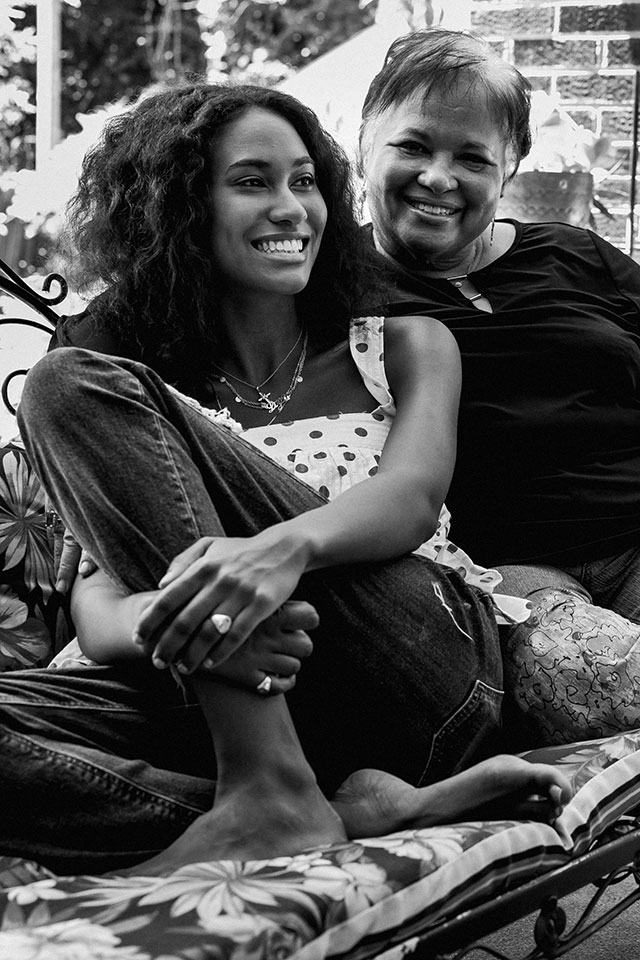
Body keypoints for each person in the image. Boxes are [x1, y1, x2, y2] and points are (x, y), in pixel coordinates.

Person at [13, 82, 570, 876]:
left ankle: (267, 788)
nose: (292, 208)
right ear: (178, 208)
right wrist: (181, 617)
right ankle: (327, 809)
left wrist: (275, 555)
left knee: (61, 382)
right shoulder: (146, 391)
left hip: (410, 668)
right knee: (68, 385)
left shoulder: (405, 343)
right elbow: (99, 605)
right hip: (214, 690)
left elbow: (411, 502)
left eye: (305, 181)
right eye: (252, 182)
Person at [357, 27, 640, 746]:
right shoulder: (326, 282)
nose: (439, 177)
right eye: (414, 146)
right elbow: (136, 328)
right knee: (594, 682)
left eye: (472, 158)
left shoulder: (574, 254)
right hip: (510, 568)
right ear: (366, 142)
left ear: (510, 165)